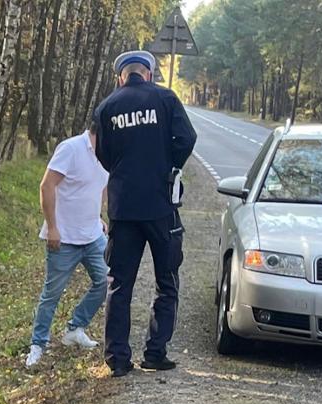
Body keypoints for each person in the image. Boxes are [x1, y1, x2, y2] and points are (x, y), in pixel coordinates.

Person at [92, 50, 196, 377]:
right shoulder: (165, 99)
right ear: (148, 74)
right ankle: (154, 353)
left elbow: (102, 154)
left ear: (120, 77)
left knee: (119, 284)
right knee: (167, 281)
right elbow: (187, 138)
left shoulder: (107, 107)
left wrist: (123, 172)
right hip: (160, 205)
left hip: (123, 208)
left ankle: (117, 359)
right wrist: (169, 164)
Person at [26, 123, 110, 368]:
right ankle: (37, 345)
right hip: (64, 238)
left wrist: (98, 216)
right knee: (52, 294)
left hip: (93, 236)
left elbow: (100, 186)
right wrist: (52, 227)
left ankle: (75, 328)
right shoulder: (71, 148)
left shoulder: (108, 153)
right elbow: (47, 185)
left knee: (107, 281)